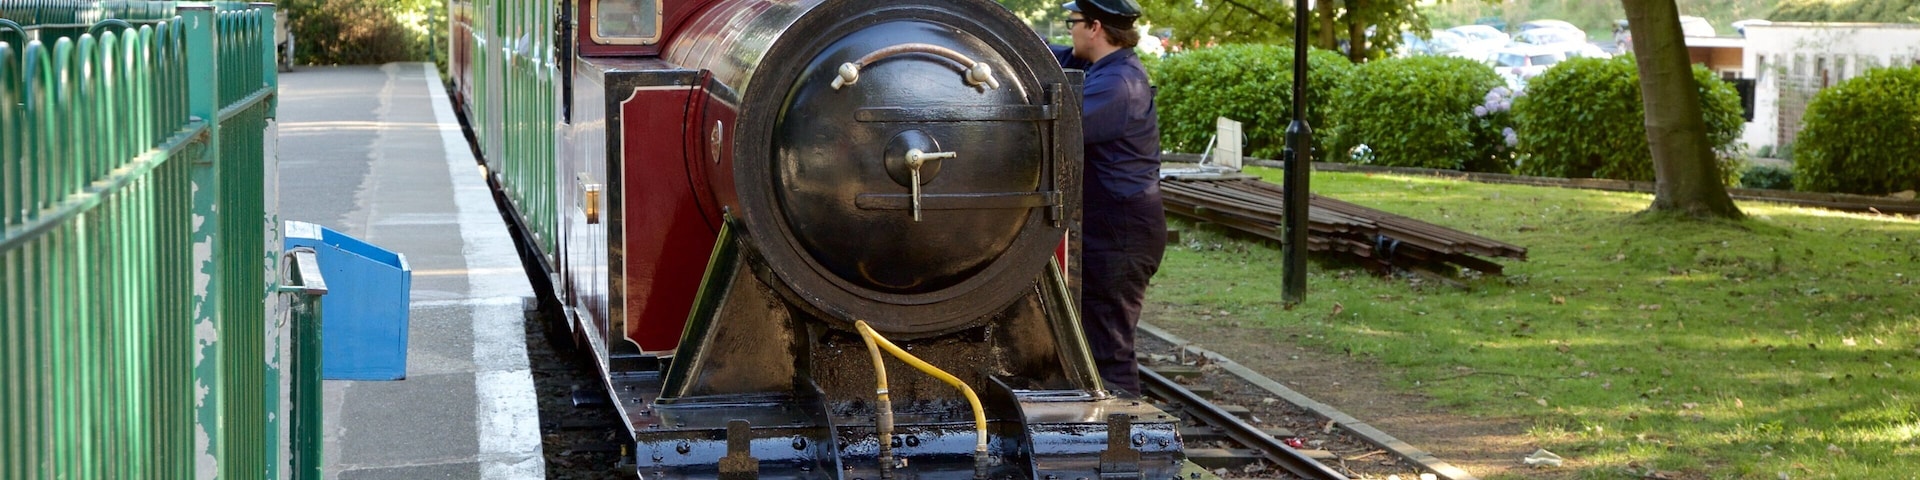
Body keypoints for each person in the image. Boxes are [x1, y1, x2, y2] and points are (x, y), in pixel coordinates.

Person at [1049, 0, 1165, 397]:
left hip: (1123, 233)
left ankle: (1123, 439)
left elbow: (1056, 128)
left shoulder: (1118, 86)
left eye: (1074, 23)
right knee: (1094, 340)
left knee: (1110, 349)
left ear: (1095, 27)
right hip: (1111, 226)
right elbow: (1046, 53)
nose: (1070, 30)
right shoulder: (1096, 67)